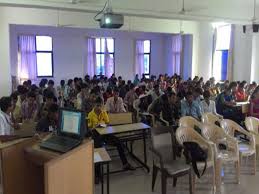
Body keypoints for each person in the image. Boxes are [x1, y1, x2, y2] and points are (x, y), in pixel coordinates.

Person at [88, 97, 134, 171]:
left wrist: (103, 125)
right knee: (98, 149)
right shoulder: (91, 114)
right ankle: (97, 173)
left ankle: (125, 164)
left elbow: (107, 123)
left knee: (118, 142)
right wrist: (95, 127)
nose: (99, 108)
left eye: (100, 105)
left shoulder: (103, 112)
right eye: (97, 106)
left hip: (105, 134)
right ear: (94, 105)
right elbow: (90, 129)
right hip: (96, 135)